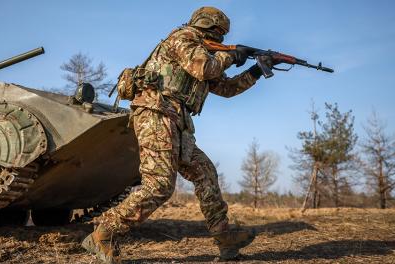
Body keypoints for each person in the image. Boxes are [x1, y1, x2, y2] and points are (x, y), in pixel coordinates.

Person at [81, 6, 281, 263]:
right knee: (160, 185)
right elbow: (204, 69)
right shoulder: (183, 38)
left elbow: (227, 88)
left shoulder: (204, 52)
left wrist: (255, 71)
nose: (221, 39)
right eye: (219, 33)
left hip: (176, 120)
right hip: (156, 112)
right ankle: (104, 233)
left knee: (205, 171)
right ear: (207, 27)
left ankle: (224, 238)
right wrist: (232, 56)